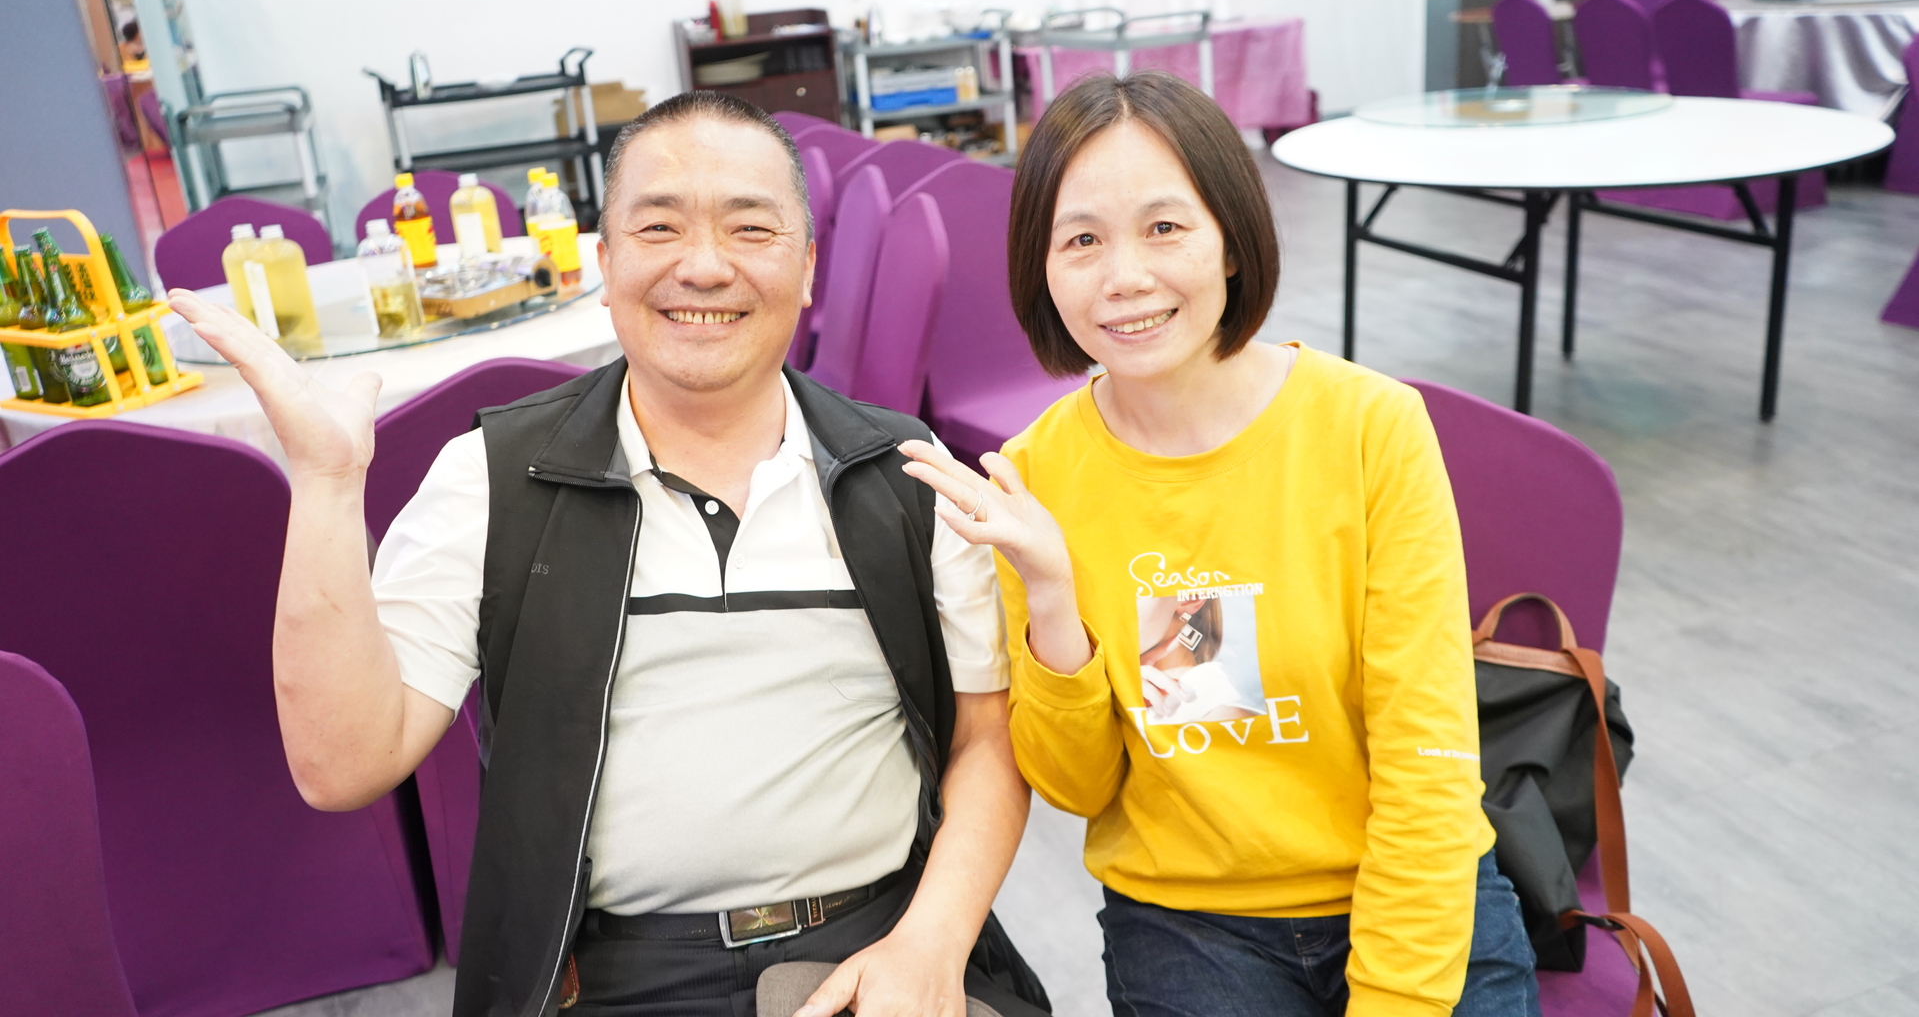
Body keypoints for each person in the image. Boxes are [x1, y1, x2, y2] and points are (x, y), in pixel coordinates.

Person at [169, 91, 1047, 1017]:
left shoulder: (904, 472)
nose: (702, 266)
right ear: (604, 262)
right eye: (659, 227)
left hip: (879, 941)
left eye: (750, 228)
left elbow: (986, 743)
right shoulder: (494, 477)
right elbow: (343, 765)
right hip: (616, 974)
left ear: (806, 269)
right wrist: (326, 482)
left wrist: (930, 943)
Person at [898, 71, 1539, 1017]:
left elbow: (1426, 761)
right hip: (1189, 923)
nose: (1124, 276)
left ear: (1231, 240)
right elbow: (1078, 788)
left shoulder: (1370, 428)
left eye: (1164, 227)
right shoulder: (1033, 479)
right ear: (1041, 268)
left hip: (1406, 879)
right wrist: (1051, 593)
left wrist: (1394, 998)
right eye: (1081, 240)